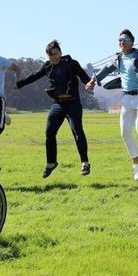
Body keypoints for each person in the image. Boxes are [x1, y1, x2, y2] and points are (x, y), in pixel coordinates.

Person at [85, 29, 138, 181]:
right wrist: (93, 80)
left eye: (125, 40)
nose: (121, 42)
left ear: (132, 42)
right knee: (124, 132)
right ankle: (135, 160)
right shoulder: (118, 59)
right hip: (127, 99)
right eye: (119, 40)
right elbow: (105, 70)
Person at [16, 40, 92, 178]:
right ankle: (51, 163)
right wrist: (19, 84)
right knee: (49, 132)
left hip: (73, 103)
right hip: (58, 104)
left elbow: (84, 78)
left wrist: (89, 84)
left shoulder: (71, 63)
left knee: (77, 132)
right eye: (50, 55)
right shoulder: (47, 66)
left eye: (56, 53)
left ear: (60, 53)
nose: (54, 57)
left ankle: (85, 163)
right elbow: (33, 76)